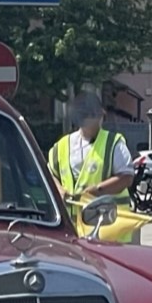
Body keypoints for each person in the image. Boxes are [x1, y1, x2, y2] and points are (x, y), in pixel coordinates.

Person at [47, 92, 136, 241]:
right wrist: (60, 190)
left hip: (107, 228)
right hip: (72, 229)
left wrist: (97, 190)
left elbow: (126, 177)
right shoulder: (61, 146)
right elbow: (49, 173)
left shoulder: (113, 143)